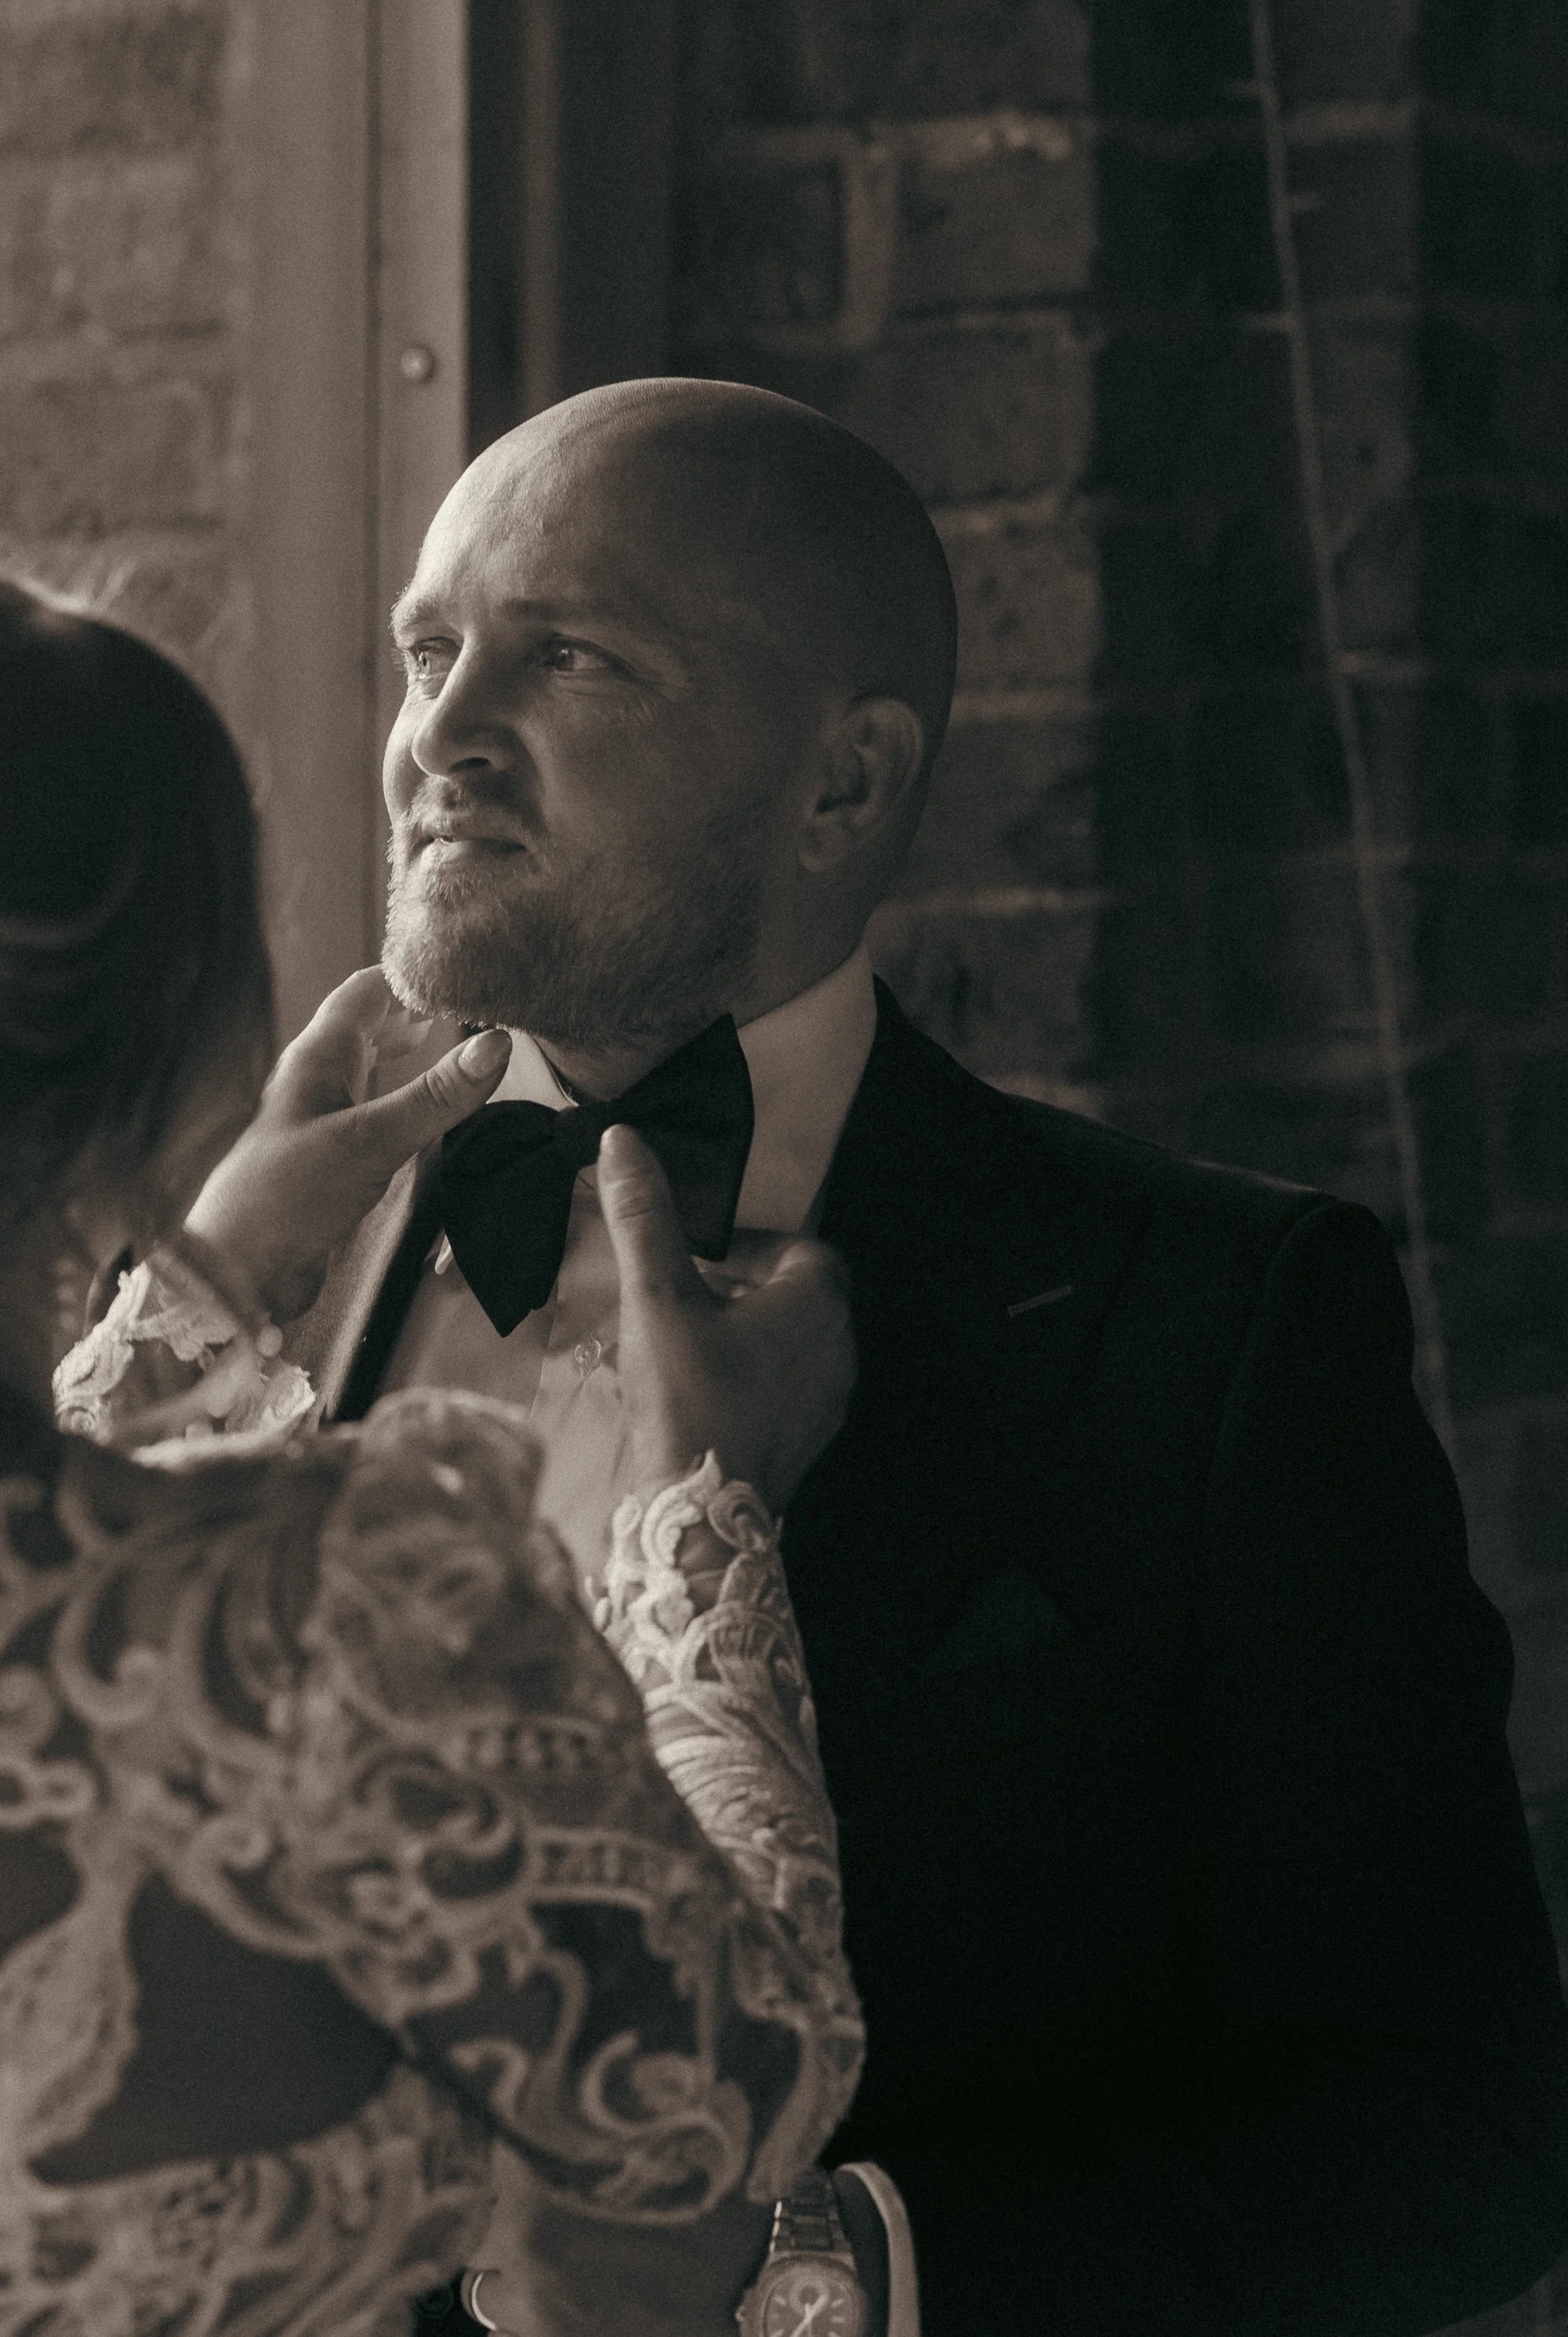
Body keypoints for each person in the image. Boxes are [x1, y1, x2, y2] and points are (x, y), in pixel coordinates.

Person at [173, 378, 1568, 2337]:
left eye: (568, 658)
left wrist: (817, 2279)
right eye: (427, 651)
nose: (440, 737)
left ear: (839, 788)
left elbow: (1459, 2133)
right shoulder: (231, 1274)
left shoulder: (1213, 1321)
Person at [0, 510, 867, 2337]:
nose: (437, 740)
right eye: (424, 656)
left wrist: (179, 1313)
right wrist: (701, 1522)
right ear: (139, 1067)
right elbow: (721, 2104)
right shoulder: (334, 1612)